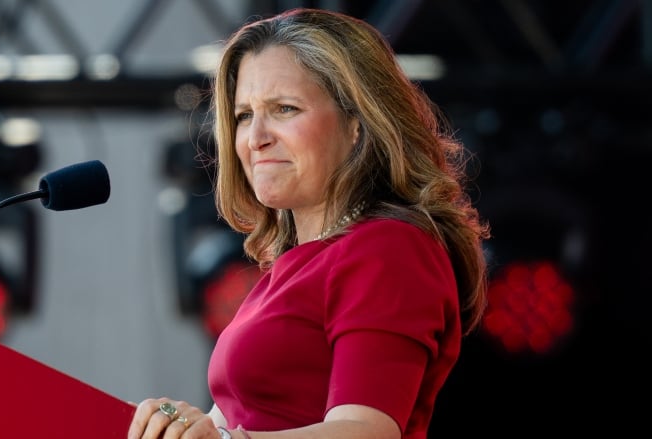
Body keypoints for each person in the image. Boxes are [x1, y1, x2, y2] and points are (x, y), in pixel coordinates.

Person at [128, 7, 489, 439]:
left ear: (357, 124)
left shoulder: (388, 247)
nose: (256, 137)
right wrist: (177, 426)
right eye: (244, 115)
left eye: (284, 108)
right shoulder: (288, 268)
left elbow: (365, 431)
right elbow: (236, 422)